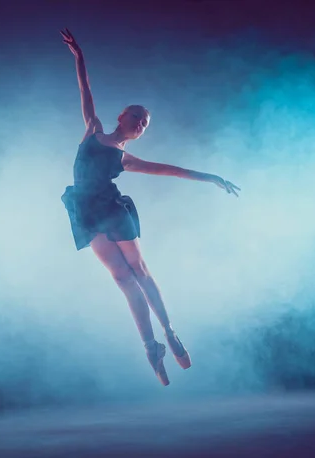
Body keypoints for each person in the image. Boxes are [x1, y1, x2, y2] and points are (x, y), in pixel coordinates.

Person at [59, 29, 240, 386]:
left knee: (140, 271)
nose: (140, 123)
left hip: (111, 209)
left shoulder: (126, 159)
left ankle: (170, 332)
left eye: (145, 124)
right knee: (122, 278)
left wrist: (211, 177)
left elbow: (172, 170)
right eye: (137, 117)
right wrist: (79, 57)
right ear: (122, 116)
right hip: (85, 210)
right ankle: (151, 345)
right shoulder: (93, 130)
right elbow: (85, 91)